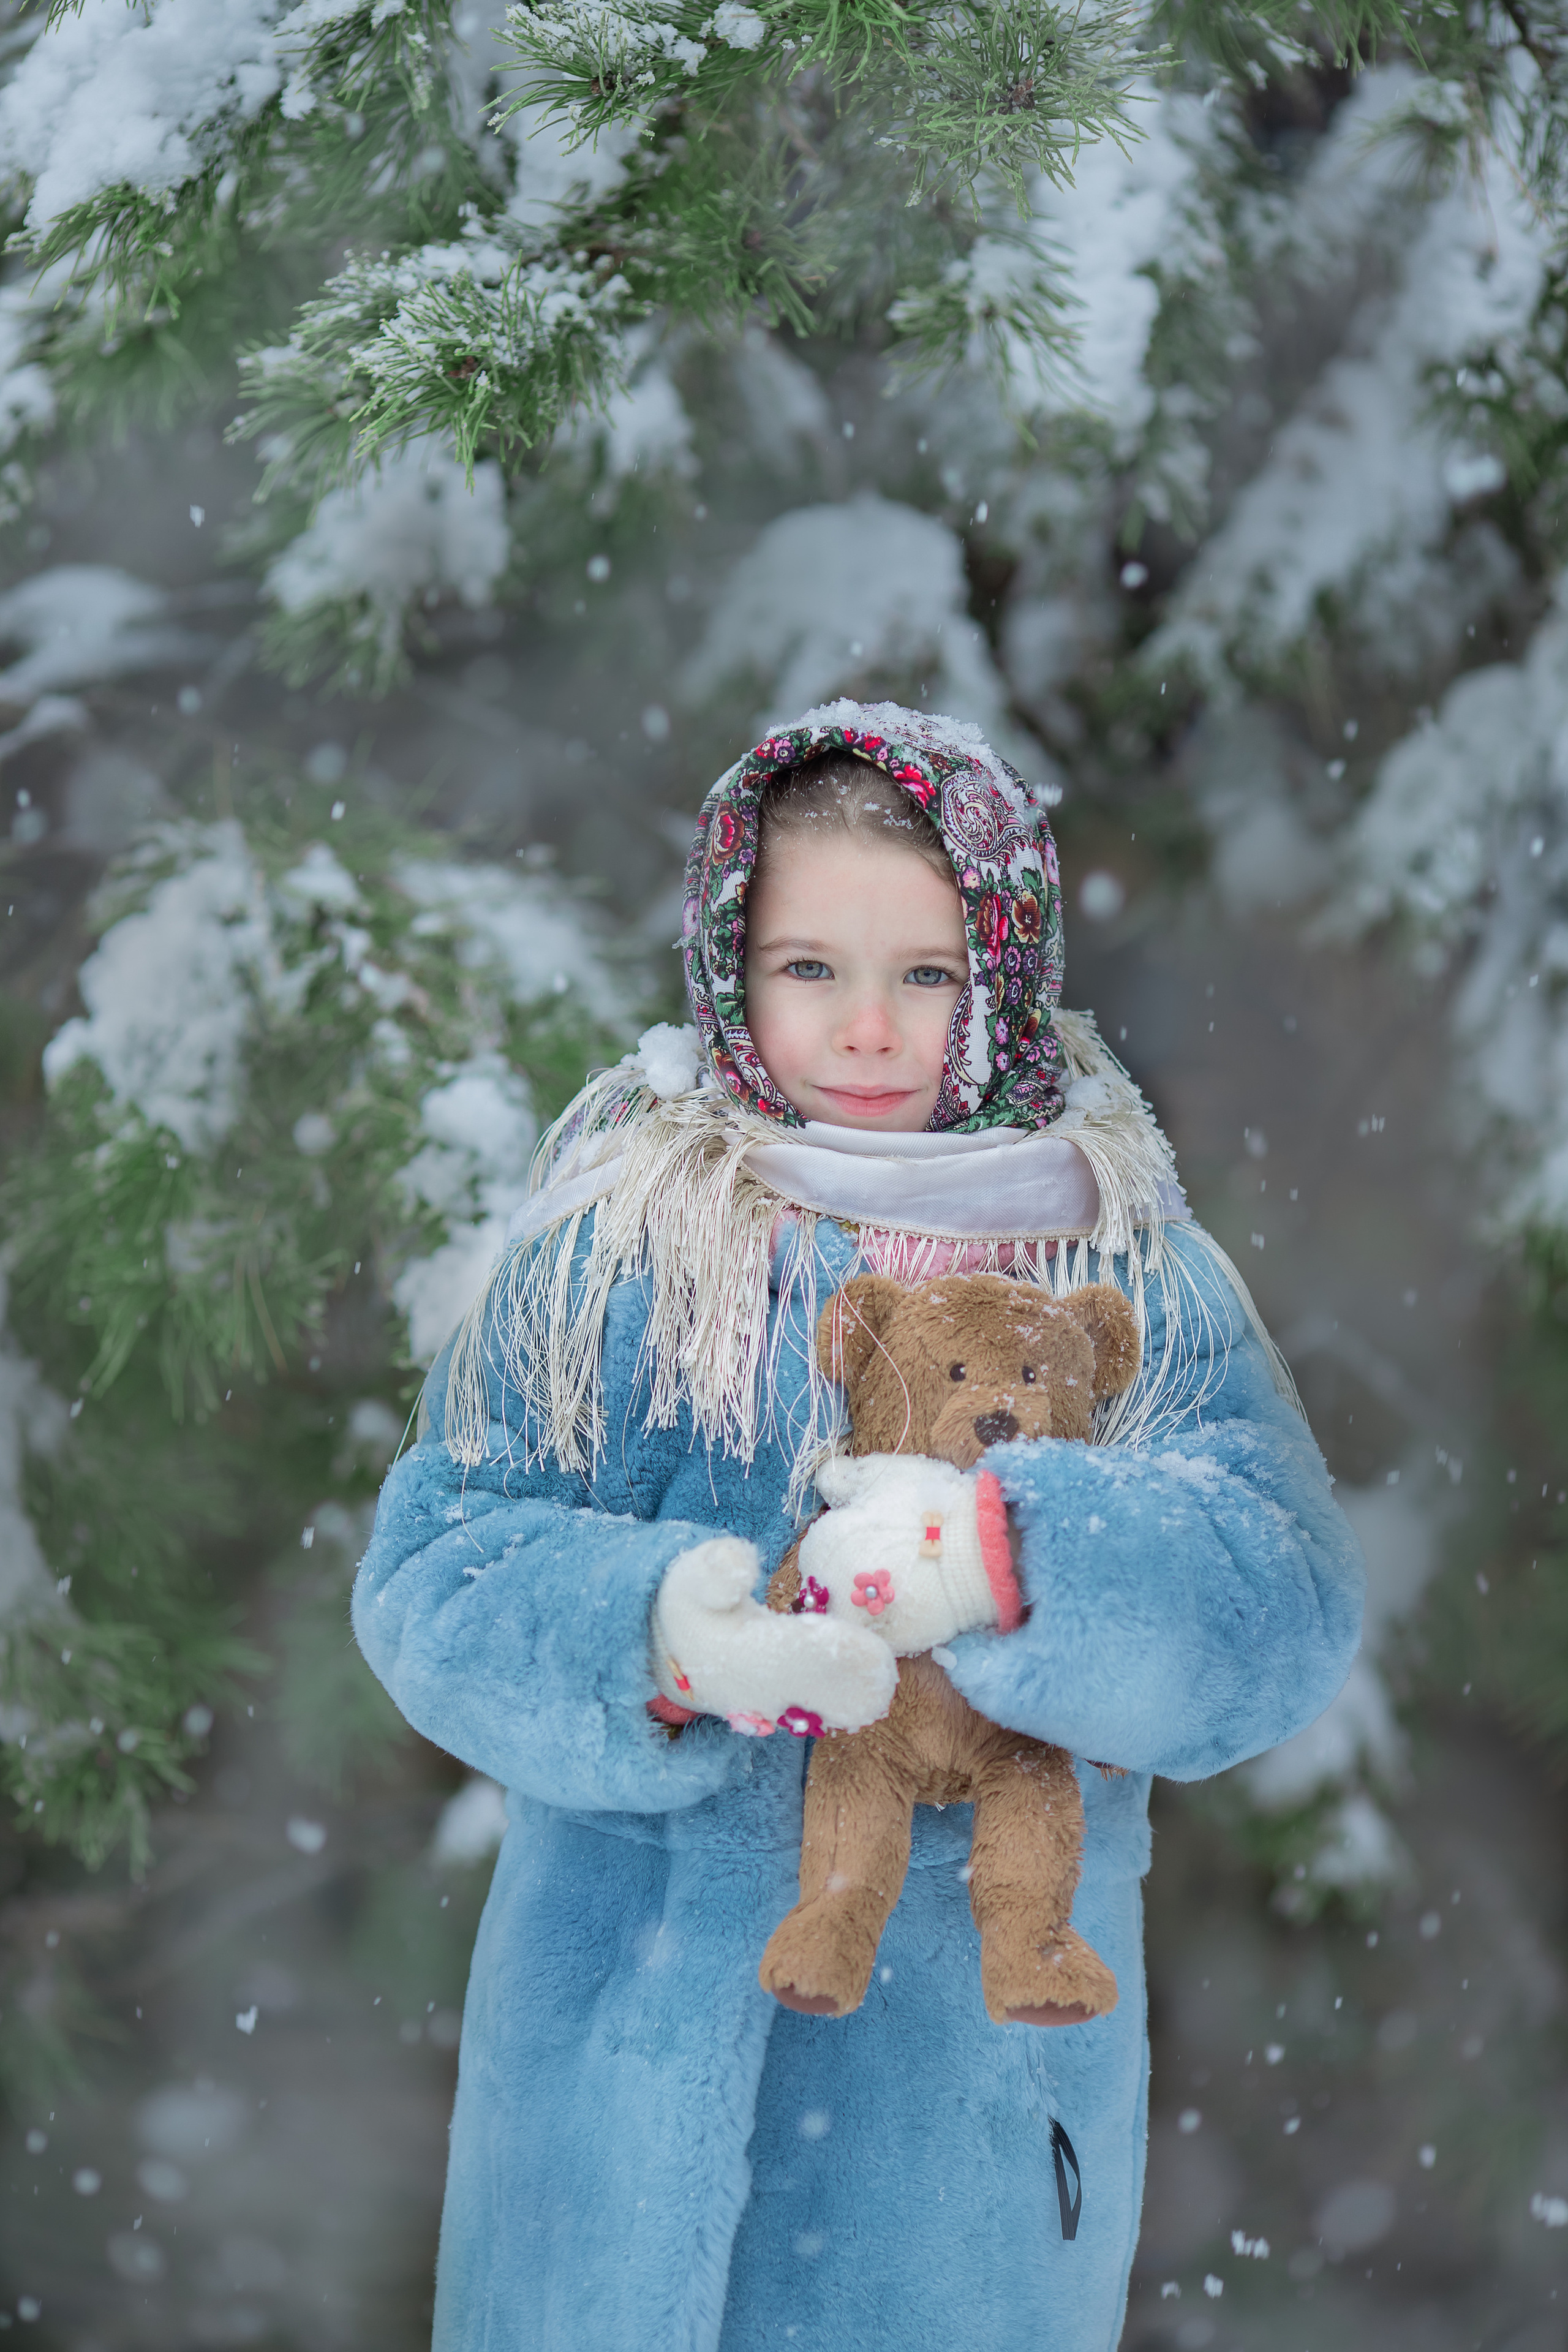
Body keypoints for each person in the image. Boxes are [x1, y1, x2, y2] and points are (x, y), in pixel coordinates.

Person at [353, 702, 1364, 2352]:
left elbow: (1280, 1604)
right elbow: (437, 1565)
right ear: (729, 957)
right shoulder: (618, 1243)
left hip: (958, 2109)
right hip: (615, 2089)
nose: (870, 1031)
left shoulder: (1120, 1257)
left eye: (928, 974)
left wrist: (1011, 1559)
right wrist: (664, 1639)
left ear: (1006, 977)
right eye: (811, 967)